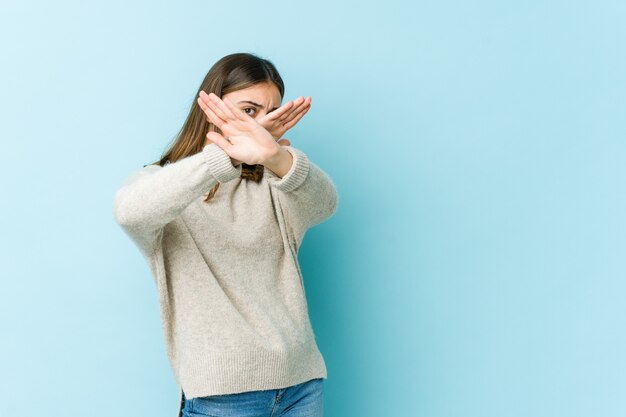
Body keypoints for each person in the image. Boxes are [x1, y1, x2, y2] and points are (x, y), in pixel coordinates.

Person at [112, 52, 338, 417]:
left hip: (301, 384)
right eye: (248, 111)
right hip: (223, 394)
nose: (259, 124)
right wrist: (227, 157)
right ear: (209, 106)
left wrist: (277, 159)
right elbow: (130, 211)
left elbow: (325, 203)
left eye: (271, 112)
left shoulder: (277, 182)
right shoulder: (162, 183)